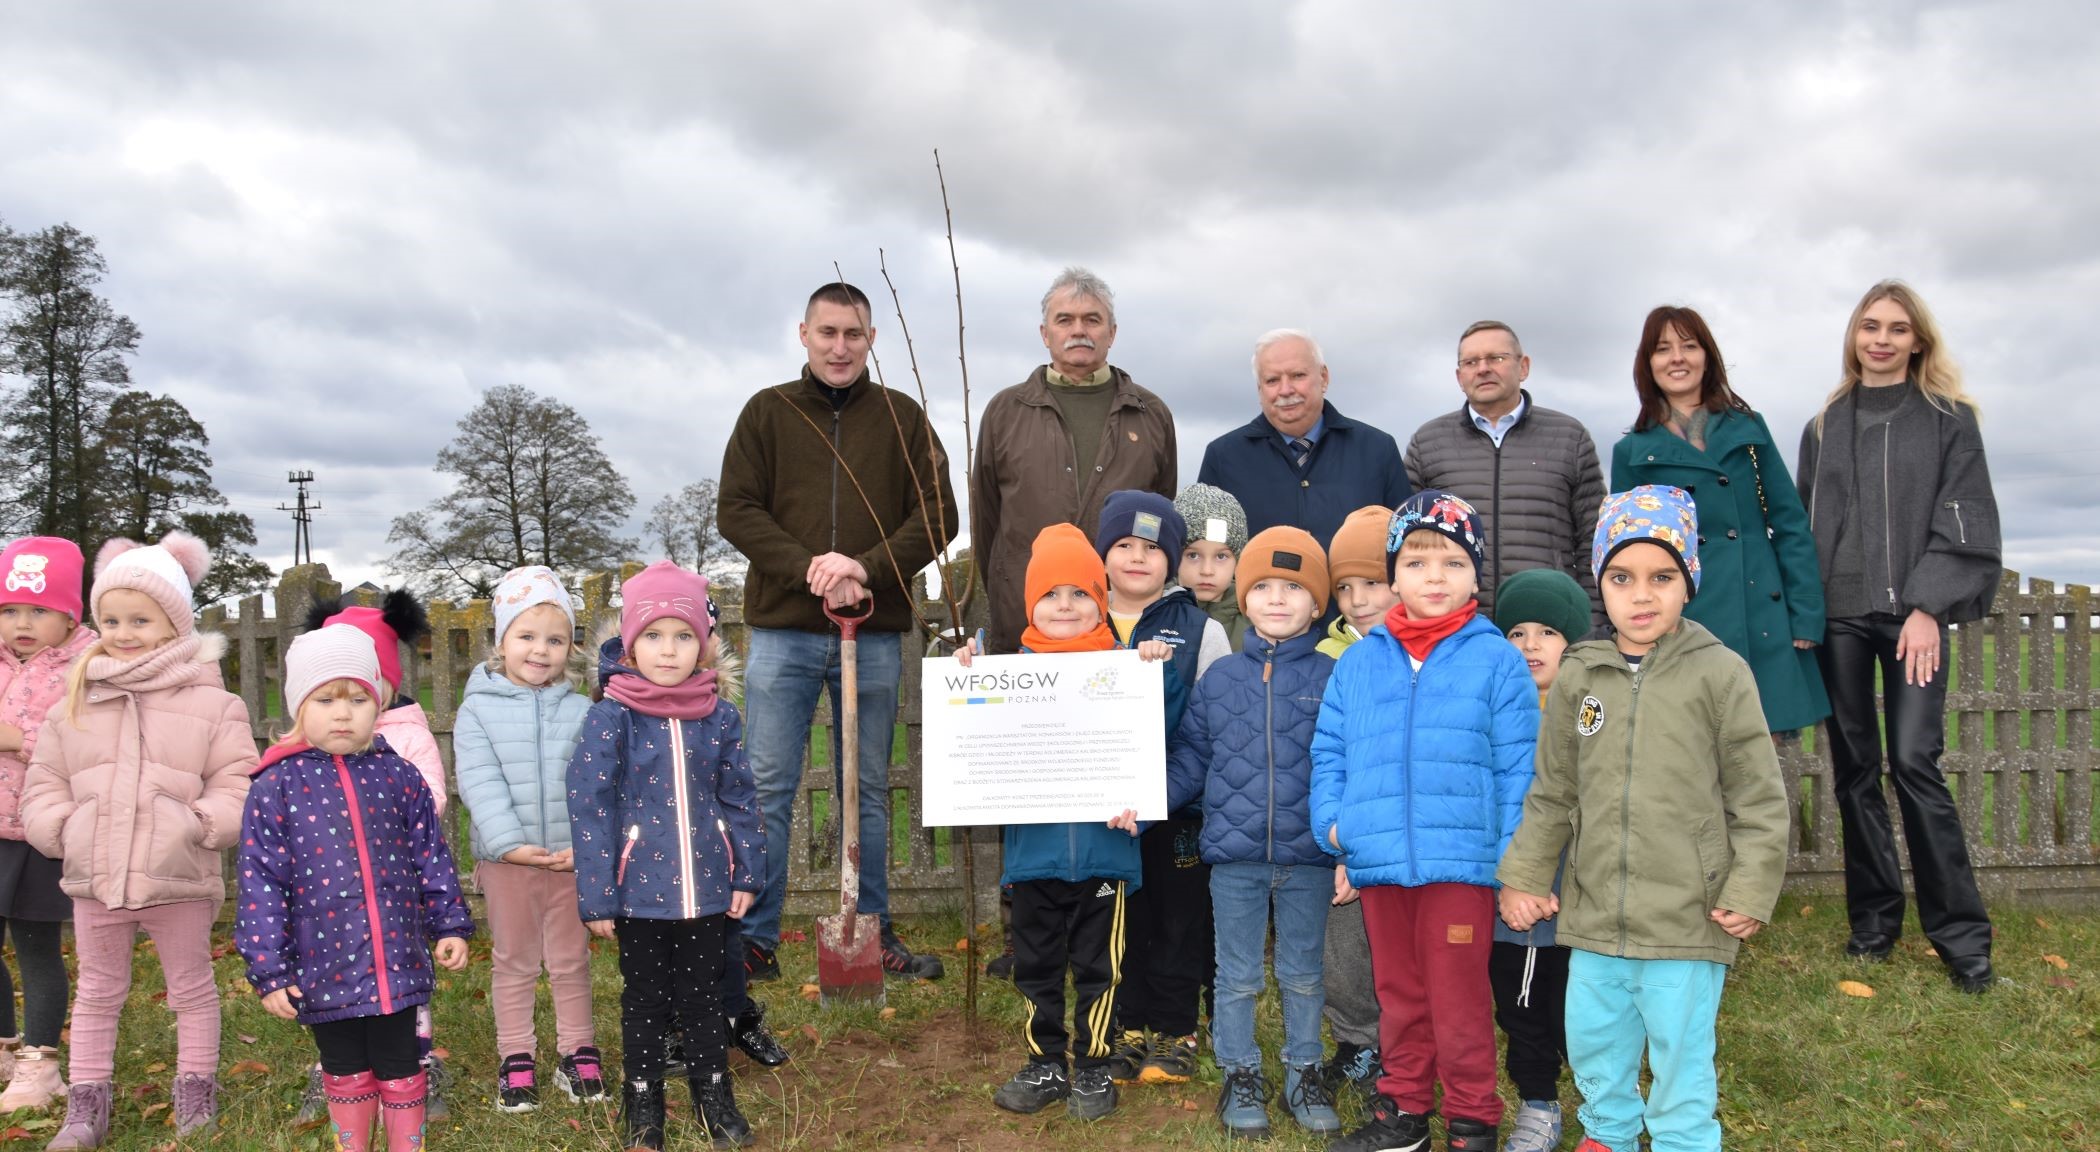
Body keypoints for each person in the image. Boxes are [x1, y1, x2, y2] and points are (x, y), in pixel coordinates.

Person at [1498, 485, 1789, 1152]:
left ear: (1688, 582)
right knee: (1596, 1042)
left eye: (1663, 576)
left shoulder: (1720, 674)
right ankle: (1608, 1132)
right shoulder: (1582, 674)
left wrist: (1749, 887)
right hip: (1594, 914)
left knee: (1680, 1055)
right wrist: (1525, 875)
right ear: (1600, 585)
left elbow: (1759, 798)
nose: (1642, 594)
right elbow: (1554, 791)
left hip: (1688, 915)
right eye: (1622, 577)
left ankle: (1685, 1139)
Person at [718, 280, 957, 984]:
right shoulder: (768, 413)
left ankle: (871, 930)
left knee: (869, 788)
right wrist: (812, 570)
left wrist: (868, 567)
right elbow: (737, 509)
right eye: (828, 333)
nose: (840, 346)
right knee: (766, 785)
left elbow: (940, 514)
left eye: (854, 334)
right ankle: (754, 938)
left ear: (873, 339)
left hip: (875, 631)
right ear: (804, 334)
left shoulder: (902, 418)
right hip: (786, 632)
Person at [1310, 493, 1539, 1152]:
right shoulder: (1360, 661)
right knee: (1399, 994)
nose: (1433, 576)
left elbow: (1518, 770)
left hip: (1461, 866)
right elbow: (1331, 754)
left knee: (1458, 998)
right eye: (1416, 561)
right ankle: (1403, 1112)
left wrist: (1512, 863)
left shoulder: (1496, 659)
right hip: (1380, 863)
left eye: (1452, 561)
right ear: (1394, 575)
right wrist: (1336, 829)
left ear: (1476, 575)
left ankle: (1472, 1118)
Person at [1797, 280, 2001, 992]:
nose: (1881, 339)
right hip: (1840, 619)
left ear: (1918, 340)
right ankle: (1874, 925)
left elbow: (1965, 517)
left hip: (1911, 617)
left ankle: (1963, 941)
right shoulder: (1825, 423)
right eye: (1870, 326)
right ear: (1855, 336)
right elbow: (1803, 526)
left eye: (1897, 328)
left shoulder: (1949, 419)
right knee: (1855, 771)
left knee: (1915, 762)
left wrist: (1926, 606)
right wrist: (1804, 613)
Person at [20, 533, 255, 1148]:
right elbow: (44, 780)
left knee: (192, 988)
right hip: (96, 876)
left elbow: (236, 781)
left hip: (178, 874)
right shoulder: (75, 699)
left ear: (174, 623)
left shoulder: (214, 703)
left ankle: (196, 1093)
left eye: (142, 620)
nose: (124, 632)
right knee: (98, 992)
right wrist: (63, 830)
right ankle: (85, 1105)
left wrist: (199, 826)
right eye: (112, 619)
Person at [238, 625, 474, 1152]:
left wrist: (450, 923)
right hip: (322, 960)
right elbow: (261, 883)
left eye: (358, 698)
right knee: (343, 1063)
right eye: (325, 699)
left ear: (379, 704)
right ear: (300, 707)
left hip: (396, 960)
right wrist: (269, 969)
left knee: (400, 1061)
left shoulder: (400, 777)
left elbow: (431, 858)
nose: (342, 713)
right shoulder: (276, 786)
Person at [958, 524, 1166, 1122]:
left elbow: (1163, 737)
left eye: (1080, 593)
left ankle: (1095, 1066)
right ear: (1031, 605)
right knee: (1037, 966)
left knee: (1101, 968)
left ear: (1100, 601)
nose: (1066, 606)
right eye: (1051, 594)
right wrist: (965, 671)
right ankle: (1045, 1061)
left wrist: (1155, 669)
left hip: (1106, 858)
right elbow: (970, 725)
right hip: (1033, 862)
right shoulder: (1004, 673)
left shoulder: (1127, 669)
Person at [1151, 526, 1341, 1138]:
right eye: (1263, 586)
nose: (1278, 599)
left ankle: (1303, 1071)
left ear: (1318, 602)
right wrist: (1146, 800)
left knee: (1304, 973)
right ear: (1243, 595)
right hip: (1232, 858)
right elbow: (1190, 760)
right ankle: (1239, 1071)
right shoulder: (1220, 679)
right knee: (1235, 975)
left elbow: (1349, 763)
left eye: (1294, 587)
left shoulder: (1332, 678)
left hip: (1309, 857)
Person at [568, 562, 763, 1150]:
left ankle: (713, 1094)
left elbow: (740, 797)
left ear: (702, 647)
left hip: (705, 888)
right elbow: (591, 807)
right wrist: (599, 893)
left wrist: (745, 870)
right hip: (637, 894)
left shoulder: (719, 715)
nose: (669, 650)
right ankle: (644, 1099)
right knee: (646, 998)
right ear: (630, 644)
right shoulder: (611, 717)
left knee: (704, 995)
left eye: (683, 637)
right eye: (653, 636)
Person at [1611, 306, 1831, 736]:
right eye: (1663, 349)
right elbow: (1627, 557)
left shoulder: (1749, 430)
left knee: (1761, 770)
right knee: (1687, 764)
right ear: (1647, 364)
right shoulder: (1632, 453)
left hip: (1759, 619)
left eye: (1688, 346)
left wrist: (1805, 616)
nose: (1677, 358)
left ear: (1707, 356)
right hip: (1682, 623)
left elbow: (1789, 525)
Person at [294, 590, 457, 1121]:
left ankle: (415, 1063)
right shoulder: (306, 751)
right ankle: (337, 1072)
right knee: (334, 980)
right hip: (332, 900)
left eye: (365, 689)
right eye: (329, 694)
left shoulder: (407, 738)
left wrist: (377, 800)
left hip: (396, 892)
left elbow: (430, 798)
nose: (346, 708)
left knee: (403, 985)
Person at [451, 567, 604, 1110]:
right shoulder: (478, 710)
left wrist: (586, 848)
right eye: (527, 636)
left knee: (570, 959)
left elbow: (594, 785)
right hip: (508, 864)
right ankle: (516, 1057)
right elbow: (479, 782)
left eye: (555, 640)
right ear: (501, 641)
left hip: (568, 862)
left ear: (571, 647)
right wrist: (507, 844)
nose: (540, 651)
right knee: (515, 960)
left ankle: (577, 1051)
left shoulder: (584, 711)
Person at [1091, 491, 1228, 1090]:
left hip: (1178, 812)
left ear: (1172, 560)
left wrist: (1160, 799)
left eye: (1153, 548)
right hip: (1101, 813)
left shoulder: (1204, 631)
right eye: (1124, 545)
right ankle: (1125, 1025)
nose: (1138, 558)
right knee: (1118, 919)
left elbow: (1207, 735)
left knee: (1177, 918)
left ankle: (1175, 1029)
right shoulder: (1081, 621)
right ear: (1103, 555)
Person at [972, 268, 1177, 655]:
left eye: (1092, 320)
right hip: (1025, 627)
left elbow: (1160, 520)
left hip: (1124, 630)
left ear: (1112, 333)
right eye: (1064, 319)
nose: (1078, 330)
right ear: (1045, 333)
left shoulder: (1150, 414)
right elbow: (987, 523)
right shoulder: (1005, 411)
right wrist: (1014, 584)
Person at [1404, 320, 1606, 619]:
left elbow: (1594, 540)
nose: (1483, 369)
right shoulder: (1428, 443)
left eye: (1496, 358)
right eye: (1471, 362)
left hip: (1547, 623)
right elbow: (1407, 545)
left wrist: (1592, 623)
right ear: (1460, 377)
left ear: (1523, 367)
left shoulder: (1569, 437)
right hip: (1456, 627)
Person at [1487, 567, 1589, 1152]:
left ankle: (1607, 1102)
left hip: (1582, 893)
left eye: (1547, 632)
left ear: (1571, 642)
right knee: (1522, 1003)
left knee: (1579, 1006)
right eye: (1516, 632)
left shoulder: (1590, 712)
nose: (1530, 645)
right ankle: (1538, 1102)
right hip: (1517, 895)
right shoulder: (1496, 710)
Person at [0, 538, 95, 1112]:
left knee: (36, 948)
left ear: (69, 614)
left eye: (39, 610)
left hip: (43, 833)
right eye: (9, 610)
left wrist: (17, 740)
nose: (22, 623)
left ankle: (41, 1063)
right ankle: (4, 1047)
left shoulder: (86, 667)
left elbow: (85, 742)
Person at [1308, 505, 1392, 1105]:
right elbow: (1330, 754)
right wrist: (1340, 837)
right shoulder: (1327, 658)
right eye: (1345, 587)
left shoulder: (1435, 651)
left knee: (1406, 956)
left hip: (1409, 837)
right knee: (1344, 949)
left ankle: (1410, 1047)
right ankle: (1359, 1040)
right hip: (1346, 834)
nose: (1359, 599)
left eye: (1374, 582)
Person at [1197, 328, 1410, 547]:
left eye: (1298, 375)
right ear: (1259, 389)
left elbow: (1404, 543)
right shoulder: (1223, 458)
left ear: (1324, 377)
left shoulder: (1377, 451)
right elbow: (1208, 549)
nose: (1286, 390)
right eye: (1272, 380)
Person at [1173, 483, 1250, 651]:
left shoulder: (1256, 627)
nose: (1207, 570)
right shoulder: (1152, 614)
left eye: (1221, 556)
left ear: (1237, 561)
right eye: (1193, 555)